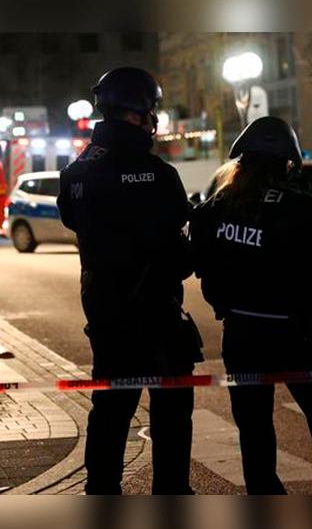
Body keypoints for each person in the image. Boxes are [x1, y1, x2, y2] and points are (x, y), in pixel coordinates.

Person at [190, 116, 312, 495]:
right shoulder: (303, 209)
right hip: (299, 336)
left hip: (241, 336)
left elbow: (195, 260)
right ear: (287, 165)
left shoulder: (215, 209)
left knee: (254, 431)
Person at [57, 67, 196, 494]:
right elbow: (178, 254)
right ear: (137, 112)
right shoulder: (158, 174)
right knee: (172, 410)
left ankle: (101, 493)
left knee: (110, 410)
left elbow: (73, 220)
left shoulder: (77, 171)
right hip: (156, 314)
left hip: (105, 311)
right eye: (151, 110)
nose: (154, 118)